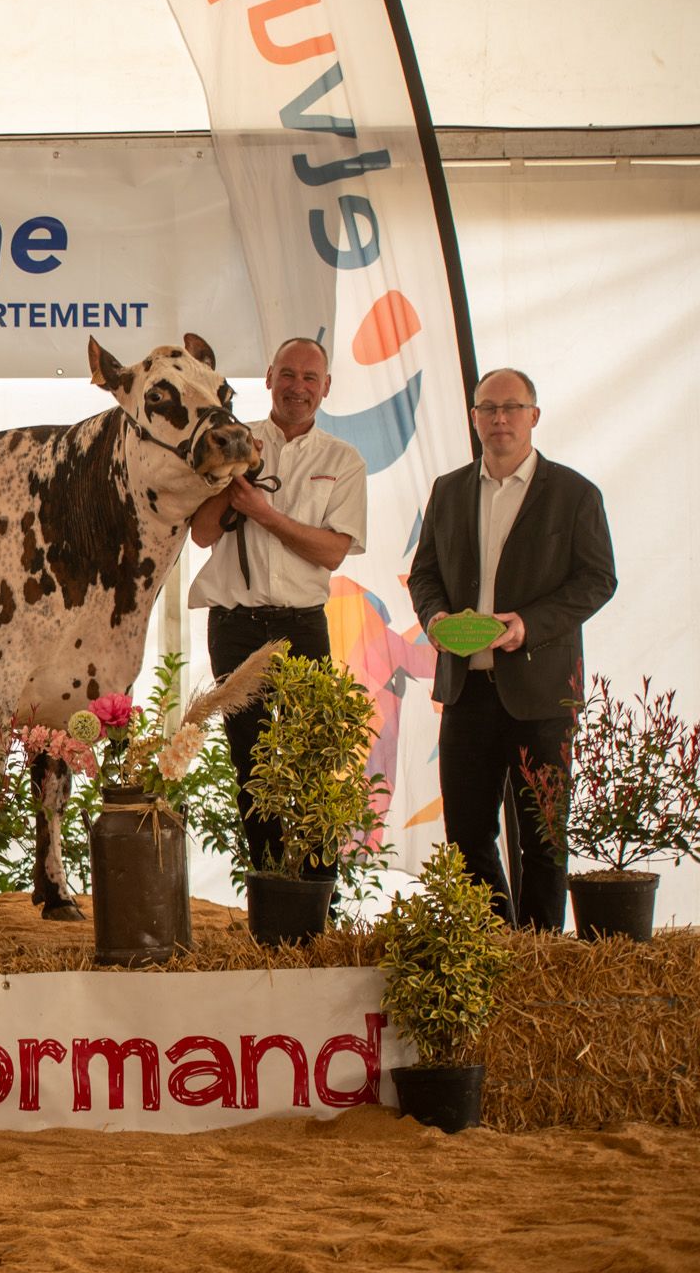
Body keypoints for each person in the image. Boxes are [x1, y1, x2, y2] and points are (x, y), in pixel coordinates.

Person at [408, 368, 616, 930]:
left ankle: (541, 951)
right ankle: (496, 948)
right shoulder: (448, 490)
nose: (500, 418)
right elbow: (424, 574)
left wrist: (529, 624)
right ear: (474, 418)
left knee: (543, 840)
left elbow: (597, 580)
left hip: (542, 697)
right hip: (466, 689)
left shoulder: (574, 493)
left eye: (512, 408)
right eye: (488, 409)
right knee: (467, 835)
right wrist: (434, 617)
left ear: (534, 416)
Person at [188, 336, 368, 881]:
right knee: (253, 766)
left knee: (314, 763)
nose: (298, 388)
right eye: (288, 375)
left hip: (301, 627)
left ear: (326, 388)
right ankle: (270, 890)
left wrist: (265, 514)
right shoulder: (232, 443)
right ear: (268, 379)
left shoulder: (344, 460)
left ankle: (319, 898)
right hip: (236, 628)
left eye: (310, 379)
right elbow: (200, 534)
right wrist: (234, 475)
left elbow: (332, 551)